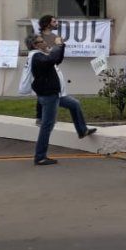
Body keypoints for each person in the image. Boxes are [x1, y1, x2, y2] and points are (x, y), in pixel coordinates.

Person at [27, 33, 97, 166]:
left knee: (74, 104)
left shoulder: (41, 55)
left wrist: (62, 46)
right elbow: (53, 58)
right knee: (47, 126)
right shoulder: (37, 56)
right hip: (49, 96)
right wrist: (58, 45)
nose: (45, 43)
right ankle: (40, 157)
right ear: (35, 45)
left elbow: (57, 59)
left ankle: (82, 130)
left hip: (55, 94)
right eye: (42, 41)